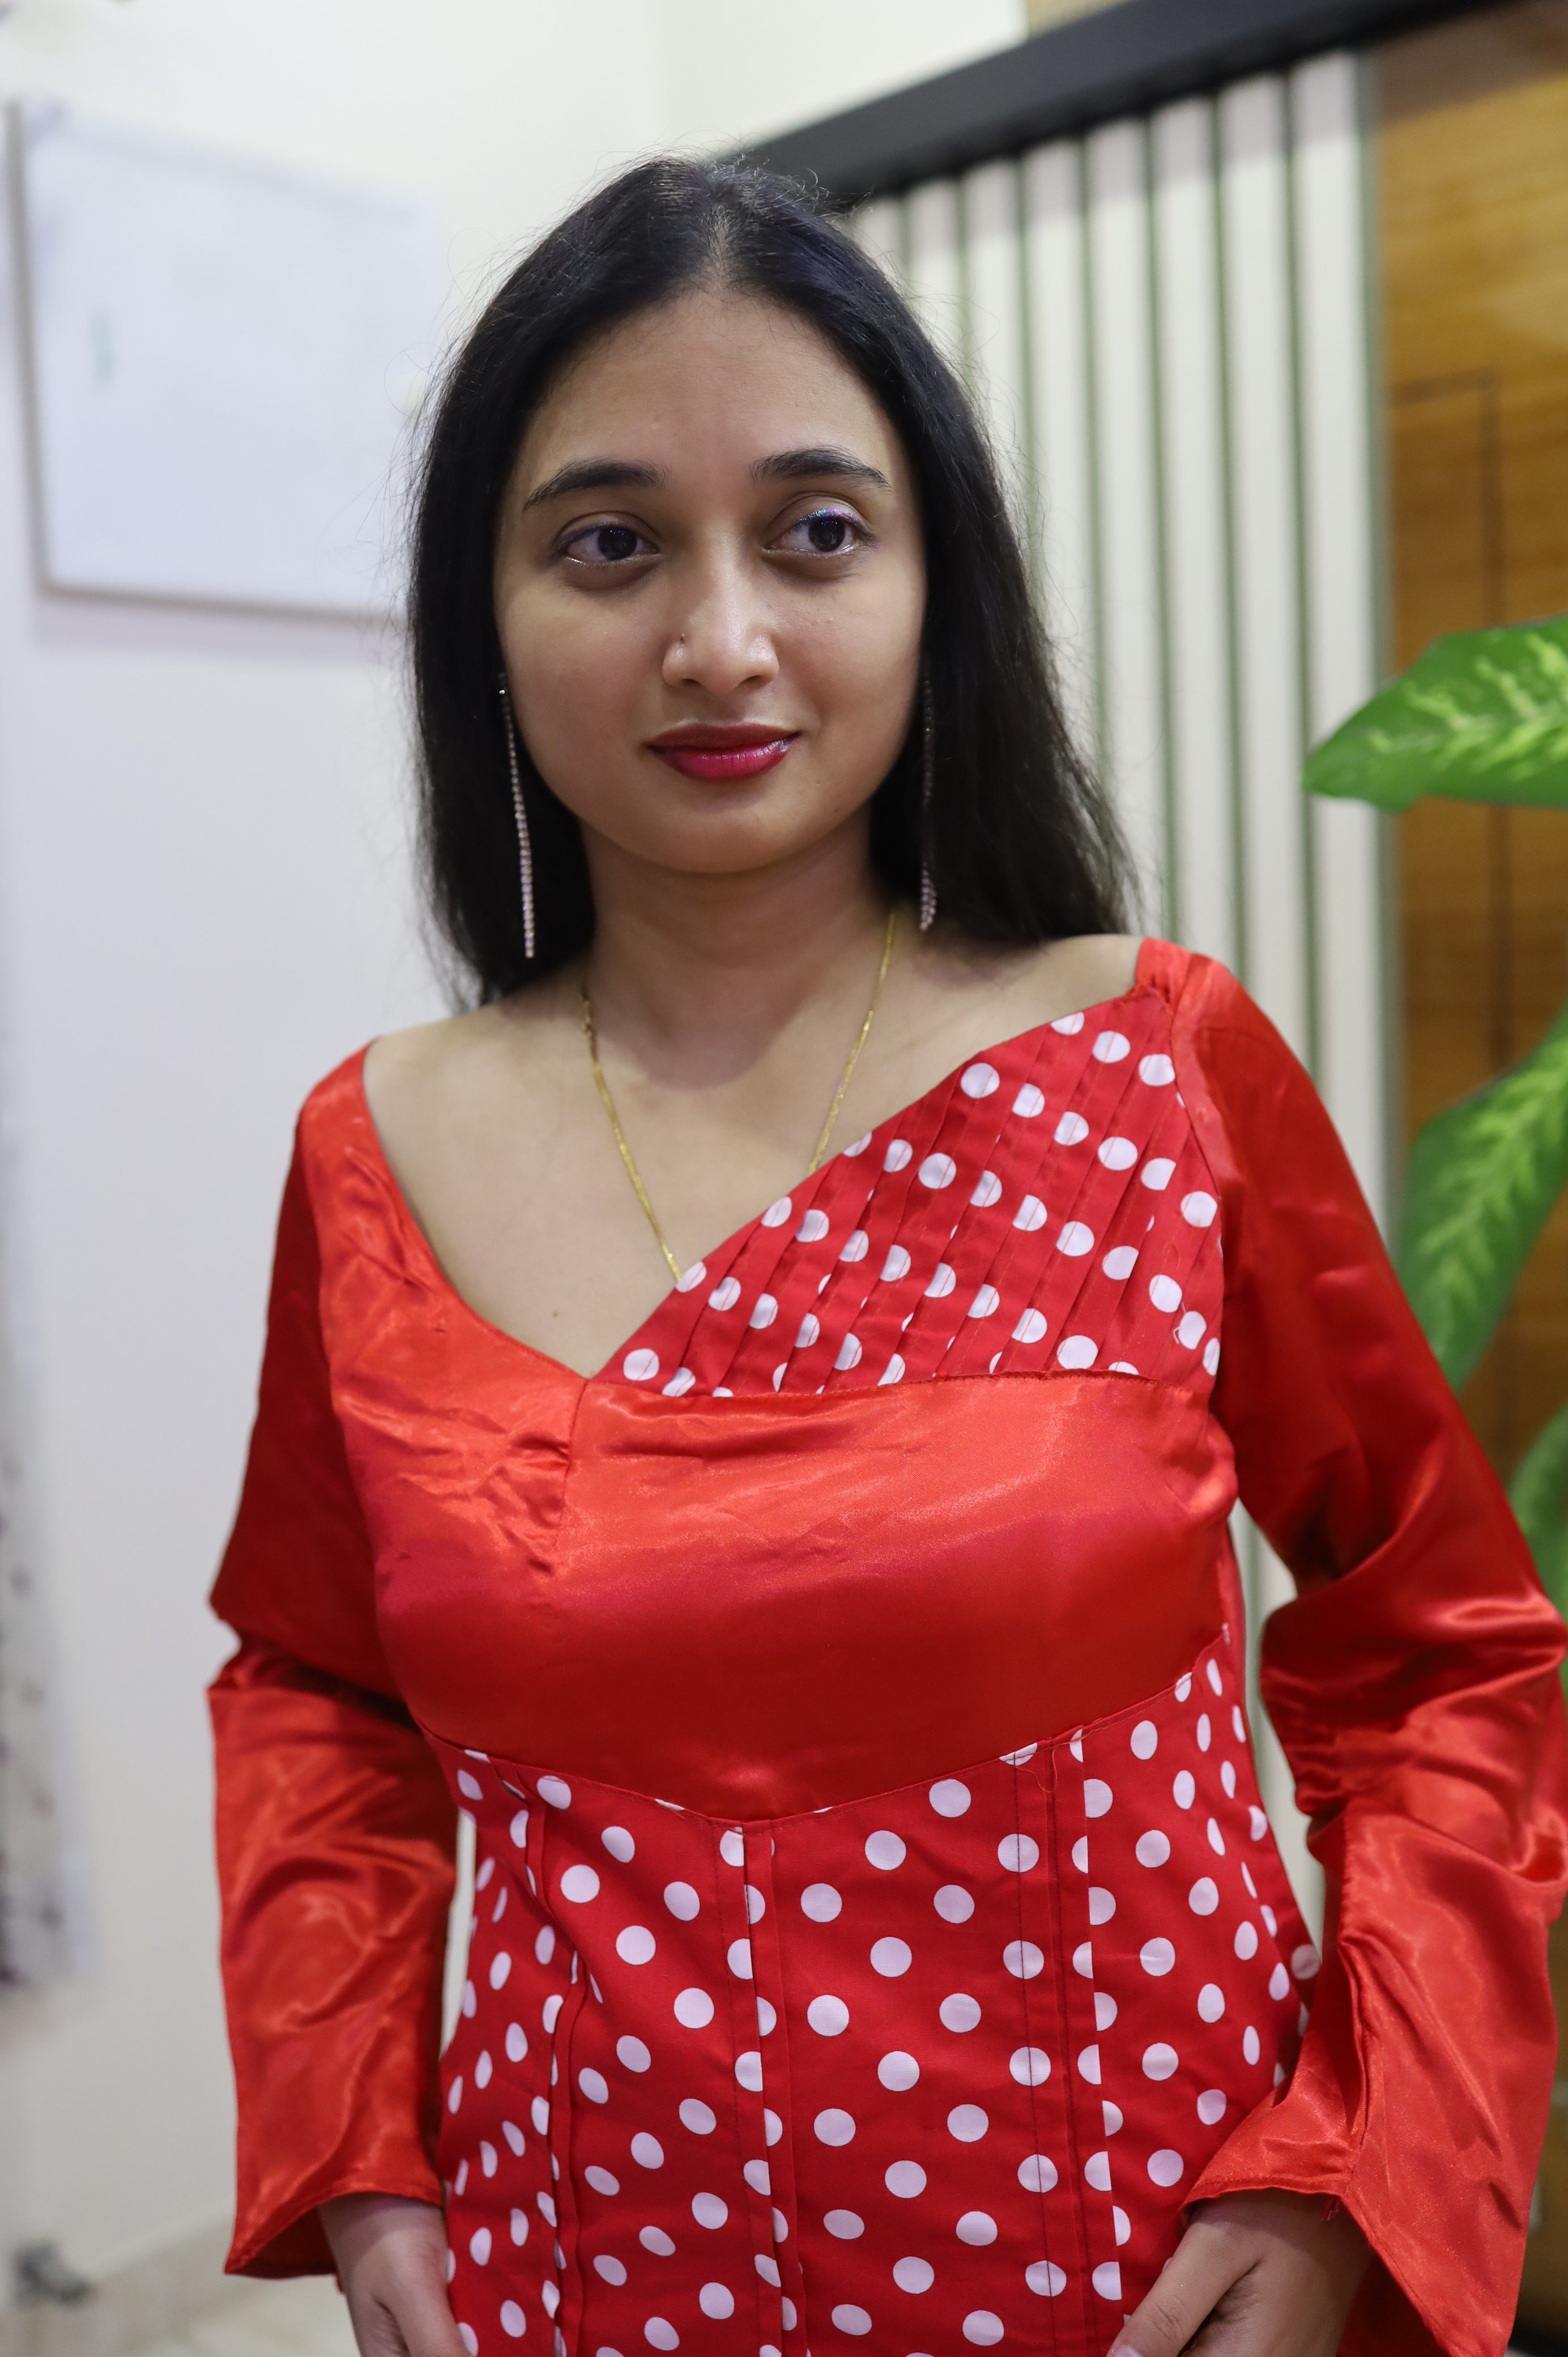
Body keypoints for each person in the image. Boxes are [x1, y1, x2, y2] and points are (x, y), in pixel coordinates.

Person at [208, 159, 1567, 2357]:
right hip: (581, 2276)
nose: (717, 638)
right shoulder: (377, 1142)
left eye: (815, 531)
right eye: (607, 539)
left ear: (939, 580)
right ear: (486, 605)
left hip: (1149, 2272)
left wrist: (1348, 2159)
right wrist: (362, 2154)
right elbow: (316, 1688)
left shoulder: (1150, 1058)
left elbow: (1449, 1656)